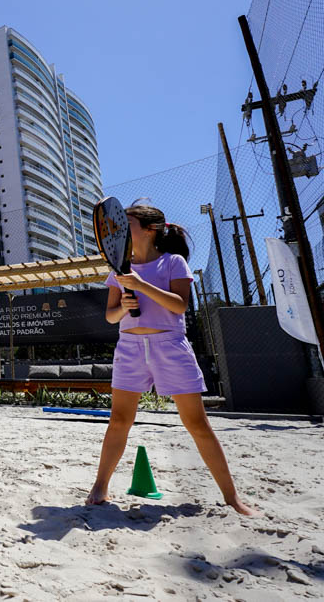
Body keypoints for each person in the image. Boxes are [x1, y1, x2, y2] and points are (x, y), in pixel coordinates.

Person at [86, 202, 259, 516]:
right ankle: (100, 487)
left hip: (170, 345)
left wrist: (141, 286)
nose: (121, 230)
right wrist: (125, 305)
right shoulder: (117, 270)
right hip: (130, 348)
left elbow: (179, 305)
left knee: (196, 423)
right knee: (119, 421)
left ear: (152, 229)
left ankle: (232, 498)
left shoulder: (173, 262)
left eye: (128, 223)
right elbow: (111, 317)